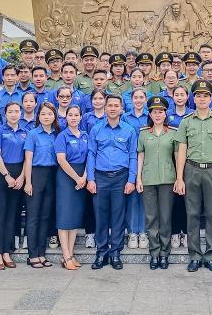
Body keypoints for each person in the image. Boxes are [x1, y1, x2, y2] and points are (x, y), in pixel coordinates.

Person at [175, 79, 212, 273]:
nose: (202, 99)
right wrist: (179, 177)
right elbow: (181, 150)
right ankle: (194, 255)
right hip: (192, 170)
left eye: (205, 96)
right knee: (191, 214)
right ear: (194, 98)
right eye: (198, 96)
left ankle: (209, 255)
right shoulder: (186, 122)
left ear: (211, 98)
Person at [87, 95, 138, 270]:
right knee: (101, 217)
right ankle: (101, 252)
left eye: (116, 105)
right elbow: (91, 154)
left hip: (120, 177)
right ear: (106, 108)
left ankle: (115, 252)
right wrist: (91, 179)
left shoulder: (129, 130)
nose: (113, 108)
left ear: (122, 108)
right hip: (100, 177)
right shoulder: (96, 129)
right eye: (110, 105)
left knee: (118, 216)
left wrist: (131, 179)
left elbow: (133, 155)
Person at [136, 96, 179, 270]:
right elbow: (140, 155)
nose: (158, 115)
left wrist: (179, 178)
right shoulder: (144, 133)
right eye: (155, 112)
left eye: (161, 111)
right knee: (151, 217)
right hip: (148, 179)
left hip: (168, 179)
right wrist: (138, 178)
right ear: (150, 114)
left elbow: (177, 157)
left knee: (166, 217)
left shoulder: (173, 133)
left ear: (165, 113)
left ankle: (164, 254)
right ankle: (154, 253)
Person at [0, 103, 28, 269]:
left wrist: (22, 177)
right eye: (10, 111)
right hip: (1, 173)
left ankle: (6, 251)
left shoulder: (25, 132)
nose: (13, 114)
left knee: (12, 214)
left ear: (21, 113)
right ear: (5, 113)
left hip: (19, 173)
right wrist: (7, 176)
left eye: (16, 111)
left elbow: (27, 157)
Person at [22, 102, 60, 268]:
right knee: (33, 216)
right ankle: (32, 254)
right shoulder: (32, 134)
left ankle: (42, 253)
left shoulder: (56, 134)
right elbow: (28, 159)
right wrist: (28, 182)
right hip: (36, 175)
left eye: (50, 114)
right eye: (43, 114)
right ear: (39, 116)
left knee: (45, 216)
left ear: (54, 117)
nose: (46, 117)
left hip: (51, 175)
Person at [55, 105, 88, 270]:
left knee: (74, 216)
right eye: (70, 115)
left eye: (76, 115)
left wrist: (85, 177)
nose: (74, 118)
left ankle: (71, 253)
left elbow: (91, 156)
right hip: (67, 177)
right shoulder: (62, 136)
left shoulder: (85, 136)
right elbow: (61, 160)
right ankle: (65, 255)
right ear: (66, 117)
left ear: (81, 117)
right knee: (64, 216)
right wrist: (77, 178)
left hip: (82, 175)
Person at [123, 87, 149, 249]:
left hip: (149, 159)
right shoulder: (125, 117)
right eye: (136, 97)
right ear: (131, 100)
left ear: (146, 99)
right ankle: (132, 231)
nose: (138, 100)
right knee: (132, 198)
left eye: (141, 97)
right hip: (131, 159)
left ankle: (144, 231)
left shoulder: (150, 116)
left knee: (146, 198)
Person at [168, 84, 191, 249]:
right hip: (170, 158)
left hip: (189, 159)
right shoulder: (167, 115)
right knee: (174, 199)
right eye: (177, 94)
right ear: (173, 97)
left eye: (183, 94)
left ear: (187, 96)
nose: (180, 97)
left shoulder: (193, 114)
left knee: (188, 199)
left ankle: (188, 232)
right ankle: (175, 232)